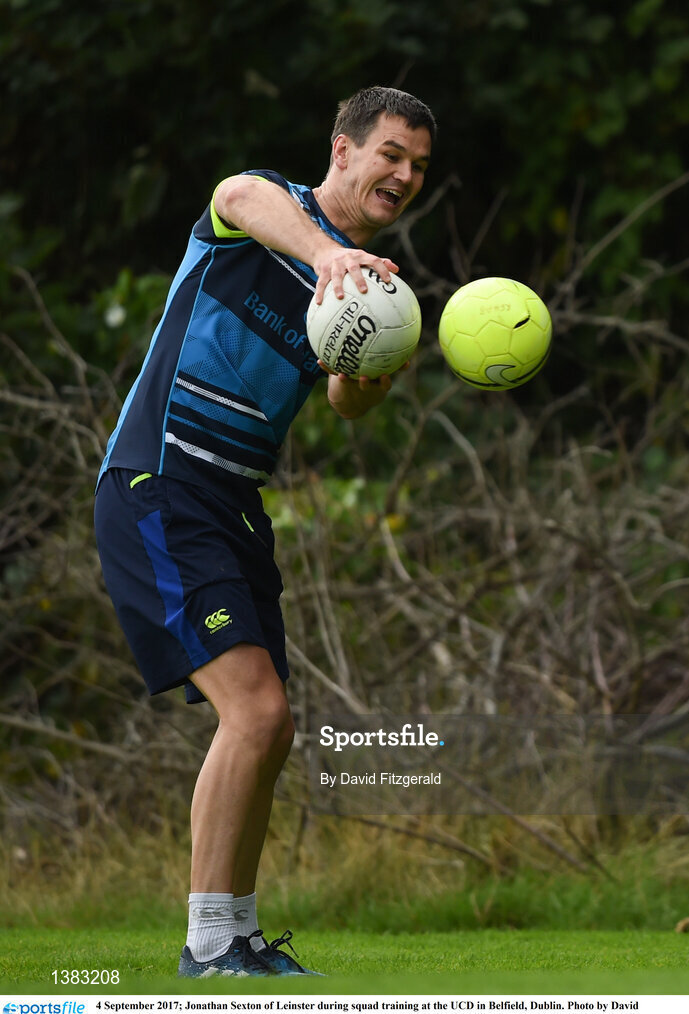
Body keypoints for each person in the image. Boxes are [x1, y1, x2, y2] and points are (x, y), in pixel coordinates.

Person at [94, 85, 436, 978]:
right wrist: (331, 257)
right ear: (344, 150)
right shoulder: (267, 210)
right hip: (159, 483)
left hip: (235, 506)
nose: (404, 174)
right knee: (257, 711)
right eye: (392, 153)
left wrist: (377, 358)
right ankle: (209, 945)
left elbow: (345, 403)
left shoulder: (366, 279)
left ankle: (236, 938)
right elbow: (235, 195)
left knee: (269, 728)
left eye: (419, 166)